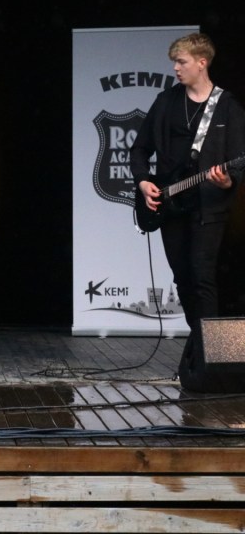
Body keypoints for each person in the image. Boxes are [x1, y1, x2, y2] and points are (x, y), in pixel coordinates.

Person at [130, 32, 245, 392]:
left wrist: (228, 180)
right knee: (182, 278)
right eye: (174, 63)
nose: (176, 69)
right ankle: (204, 353)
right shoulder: (166, 102)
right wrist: (143, 182)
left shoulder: (227, 107)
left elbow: (238, 162)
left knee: (202, 277)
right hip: (171, 205)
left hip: (209, 207)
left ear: (201, 62)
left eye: (181, 62)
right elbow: (139, 149)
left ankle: (211, 362)